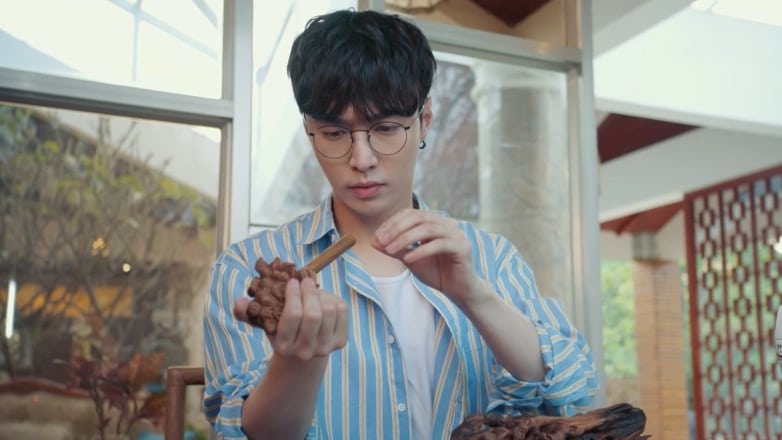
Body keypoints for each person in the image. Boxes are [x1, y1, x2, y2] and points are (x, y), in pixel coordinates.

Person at [203, 9, 598, 440]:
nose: (362, 159)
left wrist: (474, 295)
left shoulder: (492, 258)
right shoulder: (244, 269)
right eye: (334, 134)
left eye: (387, 128)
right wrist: (297, 361)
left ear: (424, 121)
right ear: (309, 131)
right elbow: (239, 433)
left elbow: (572, 393)